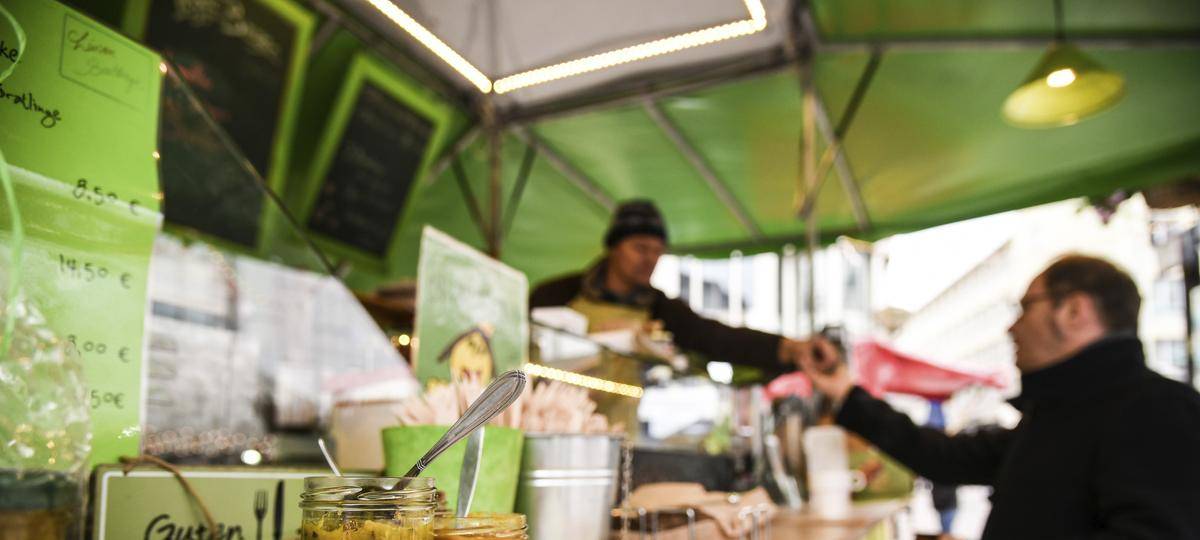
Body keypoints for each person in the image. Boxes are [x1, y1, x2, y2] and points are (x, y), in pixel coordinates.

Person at [798, 255, 1200, 539]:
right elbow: (944, 457)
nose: (1012, 327)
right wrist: (847, 394)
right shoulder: (1061, 413)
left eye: (1025, 307)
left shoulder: (1156, 411)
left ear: (1075, 311)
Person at [530, 199, 807, 377]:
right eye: (639, 248)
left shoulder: (662, 308)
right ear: (613, 247)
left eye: (657, 251)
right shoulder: (555, 294)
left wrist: (789, 348)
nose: (649, 259)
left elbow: (716, 338)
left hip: (623, 430)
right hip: (554, 421)